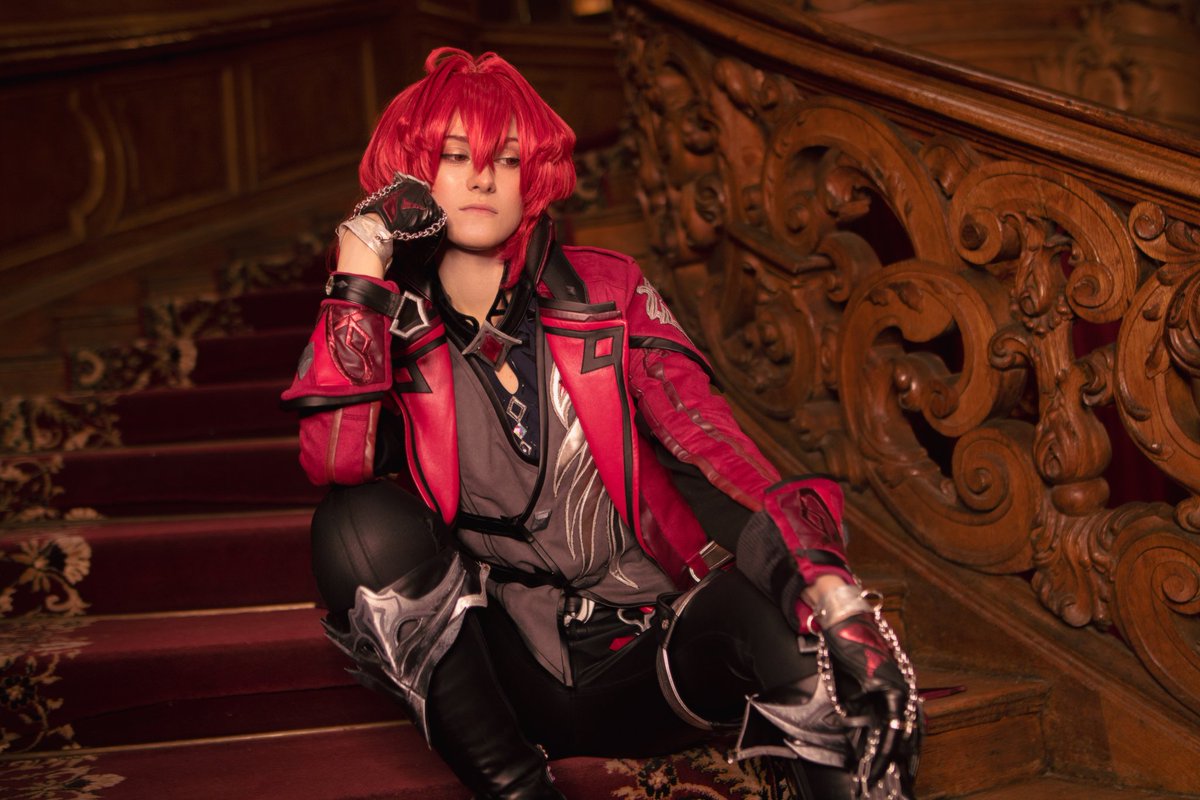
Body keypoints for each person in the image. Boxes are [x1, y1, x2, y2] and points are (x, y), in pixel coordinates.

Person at [281, 48, 920, 800]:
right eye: (455, 157)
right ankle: (518, 790)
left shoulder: (608, 289)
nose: (483, 179)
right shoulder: (387, 322)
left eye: (507, 160)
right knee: (353, 525)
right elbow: (335, 460)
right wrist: (360, 267)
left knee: (802, 633)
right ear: (413, 176)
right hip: (510, 669)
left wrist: (830, 591)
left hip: (653, 649)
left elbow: (711, 443)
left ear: (534, 177)